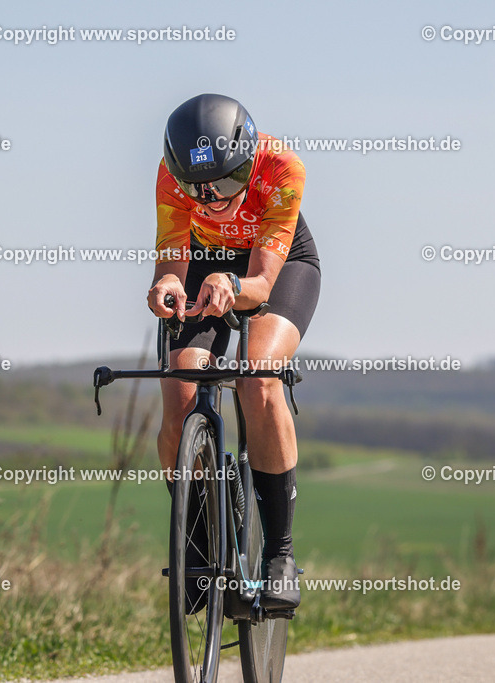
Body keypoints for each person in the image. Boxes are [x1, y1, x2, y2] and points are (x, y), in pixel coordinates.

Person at [146, 93, 320, 613]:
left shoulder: (283, 166)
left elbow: (262, 283)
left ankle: (279, 556)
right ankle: (196, 540)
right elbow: (171, 260)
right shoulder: (170, 175)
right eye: (197, 190)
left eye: (224, 183)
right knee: (179, 400)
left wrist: (233, 281)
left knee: (258, 378)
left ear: (246, 159)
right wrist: (166, 288)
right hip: (205, 263)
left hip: (279, 265)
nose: (212, 197)